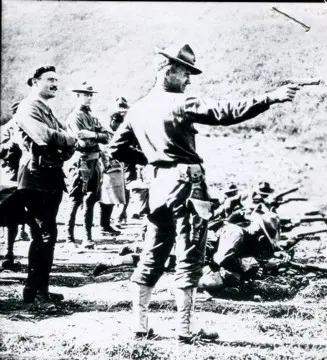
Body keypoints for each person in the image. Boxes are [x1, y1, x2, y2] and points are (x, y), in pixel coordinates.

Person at [108, 43, 300, 343]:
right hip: (188, 187)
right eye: (185, 73)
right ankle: (184, 329)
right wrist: (269, 98)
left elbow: (116, 149)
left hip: (157, 187)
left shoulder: (137, 109)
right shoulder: (181, 103)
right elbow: (225, 112)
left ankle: (139, 325)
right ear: (169, 72)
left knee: (153, 252)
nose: (188, 80)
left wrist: (154, 159)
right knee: (190, 253)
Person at [14, 65, 76, 312]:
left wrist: (66, 142)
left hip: (49, 176)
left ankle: (35, 289)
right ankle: (39, 295)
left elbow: (62, 138)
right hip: (34, 178)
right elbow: (44, 136)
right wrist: (69, 140)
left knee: (45, 236)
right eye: (50, 79)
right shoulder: (28, 107)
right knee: (45, 235)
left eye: (56, 80)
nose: (55, 84)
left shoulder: (45, 109)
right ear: (34, 81)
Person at [198, 210, 291, 291]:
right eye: (265, 242)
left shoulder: (247, 237)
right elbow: (223, 259)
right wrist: (246, 266)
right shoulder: (235, 232)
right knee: (230, 276)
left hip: (206, 264)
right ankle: (193, 284)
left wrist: (272, 257)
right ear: (261, 237)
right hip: (196, 265)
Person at [65, 82, 110, 248]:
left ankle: (87, 238)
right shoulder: (74, 117)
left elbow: (107, 137)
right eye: (85, 94)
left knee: (91, 199)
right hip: (81, 161)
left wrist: (93, 134)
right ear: (78, 96)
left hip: (94, 160)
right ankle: (69, 239)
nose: (89, 97)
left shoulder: (91, 116)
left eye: (90, 94)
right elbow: (82, 142)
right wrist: (97, 136)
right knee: (75, 199)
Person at [0, 100, 30, 271]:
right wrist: (12, 144)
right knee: (6, 216)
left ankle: (9, 254)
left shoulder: (30, 126)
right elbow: (1, 149)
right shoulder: (8, 128)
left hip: (26, 175)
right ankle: (7, 255)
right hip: (10, 177)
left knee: (16, 216)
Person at [99, 97, 129, 235]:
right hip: (104, 167)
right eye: (117, 124)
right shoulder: (105, 131)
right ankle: (103, 225)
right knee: (104, 197)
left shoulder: (116, 133)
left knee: (111, 197)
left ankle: (106, 224)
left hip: (115, 167)